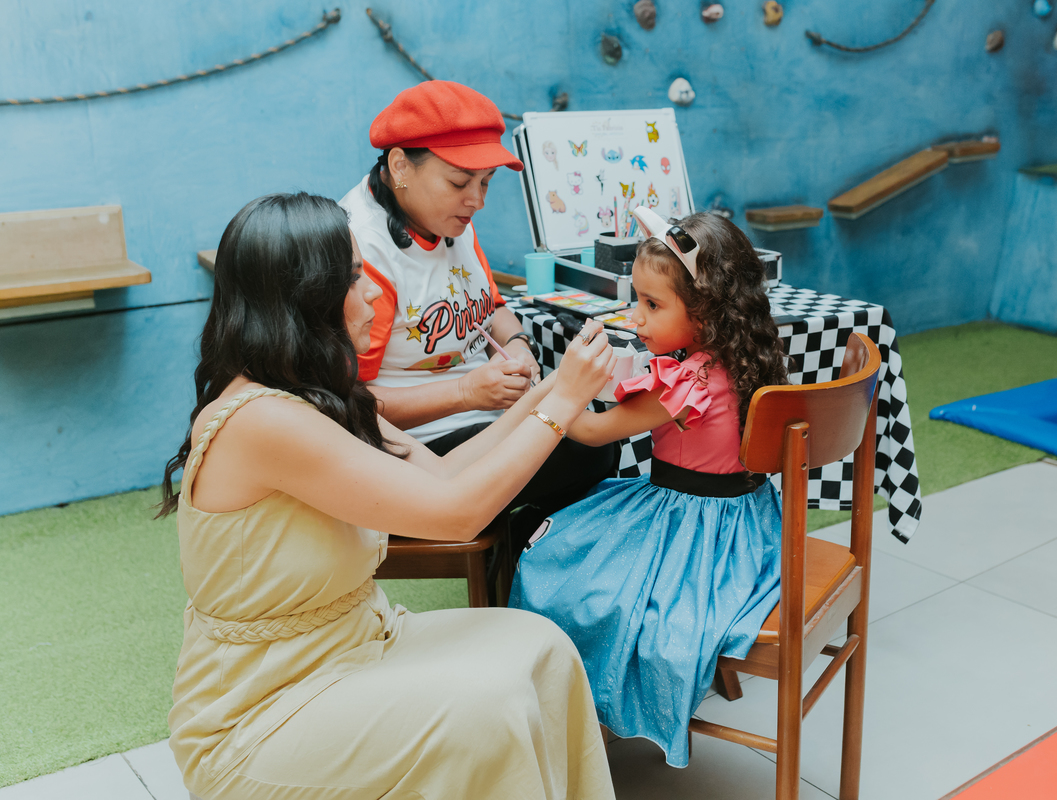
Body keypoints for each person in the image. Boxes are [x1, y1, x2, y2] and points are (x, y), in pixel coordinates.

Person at [158, 192, 617, 799]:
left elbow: (444, 475)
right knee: (486, 711)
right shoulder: (261, 418)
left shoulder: (321, 394)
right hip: (264, 709)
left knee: (545, 648)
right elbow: (457, 514)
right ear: (307, 298)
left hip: (358, 645)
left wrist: (553, 388)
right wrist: (561, 407)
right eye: (353, 277)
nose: (373, 292)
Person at [509, 208, 792, 768]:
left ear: (707, 311)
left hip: (692, 530)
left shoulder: (683, 382)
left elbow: (590, 431)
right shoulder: (741, 359)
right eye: (636, 299)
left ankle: (584, 710)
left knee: (553, 565)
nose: (634, 318)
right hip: (748, 522)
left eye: (651, 305)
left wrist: (555, 386)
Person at [339, 80, 616, 528]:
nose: (477, 201)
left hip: (485, 416)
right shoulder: (363, 253)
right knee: (586, 447)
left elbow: (492, 308)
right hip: (416, 445)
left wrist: (520, 345)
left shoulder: (450, 219)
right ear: (400, 166)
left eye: (486, 183)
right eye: (459, 181)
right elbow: (348, 401)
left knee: (592, 428)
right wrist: (467, 392)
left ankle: (520, 550)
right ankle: (517, 551)